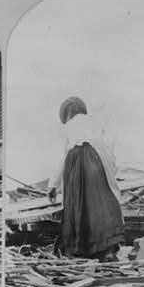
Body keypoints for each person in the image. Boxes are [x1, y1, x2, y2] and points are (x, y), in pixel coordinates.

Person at [48, 96, 124, 261]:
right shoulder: (94, 123)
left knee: (78, 207)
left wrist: (52, 184)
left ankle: (82, 249)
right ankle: (107, 250)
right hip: (96, 164)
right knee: (101, 206)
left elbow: (63, 157)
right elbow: (106, 149)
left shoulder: (68, 129)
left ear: (68, 113)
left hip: (76, 166)